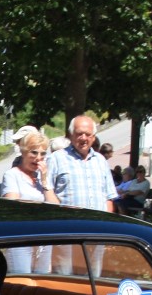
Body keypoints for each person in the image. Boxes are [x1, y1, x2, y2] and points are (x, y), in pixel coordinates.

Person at [48, 113, 115, 273]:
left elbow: (109, 198)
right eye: (79, 134)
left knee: (94, 281)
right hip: (68, 235)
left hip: (97, 235)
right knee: (66, 281)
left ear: (93, 137)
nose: (83, 138)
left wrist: (105, 226)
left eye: (87, 134)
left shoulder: (100, 161)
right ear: (71, 135)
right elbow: (47, 190)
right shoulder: (57, 158)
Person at [0, 131, 58, 273]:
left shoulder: (42, 178)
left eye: (43, 154)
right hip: (21, 240)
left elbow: (56, 208)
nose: (38, 158)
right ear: (24, 152)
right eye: (34, 153)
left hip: (43, 240)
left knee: (42, 284)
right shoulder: (12, 175)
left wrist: (44, 181)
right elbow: (13, 207)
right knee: (22, 280)